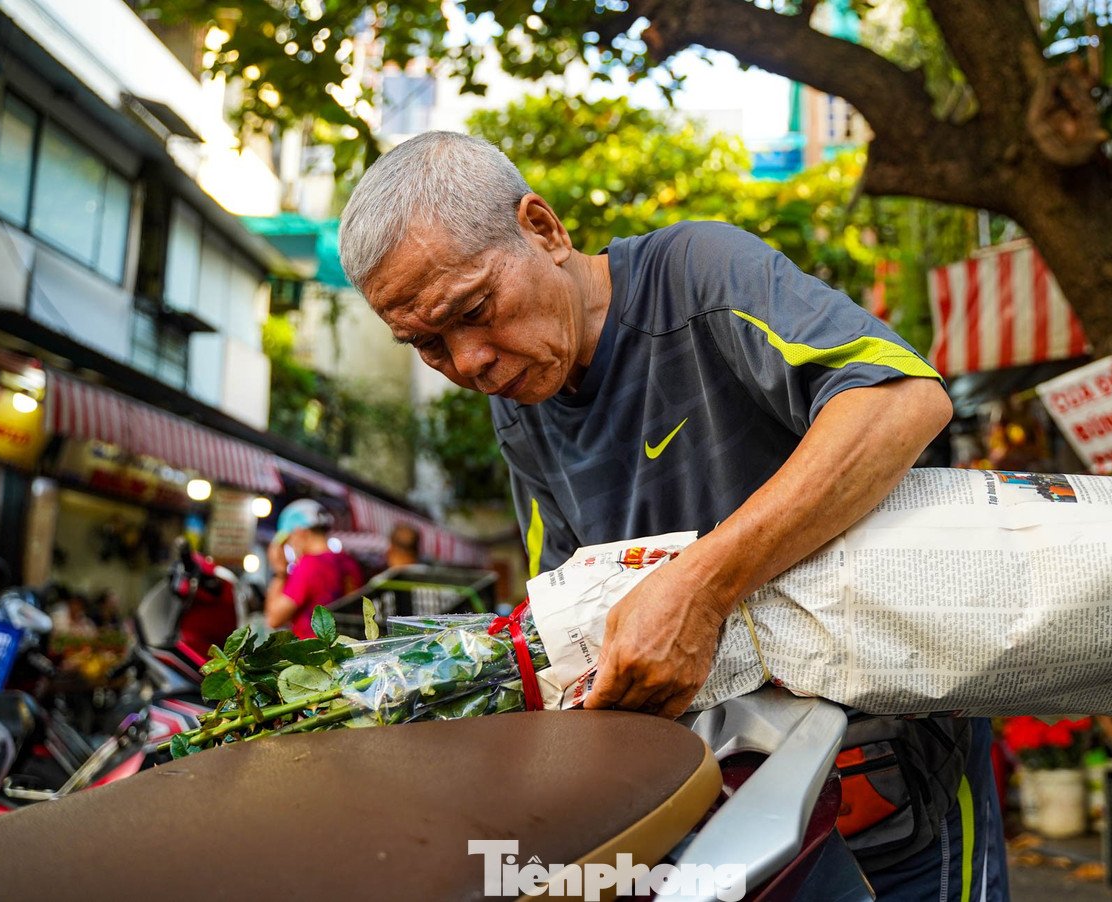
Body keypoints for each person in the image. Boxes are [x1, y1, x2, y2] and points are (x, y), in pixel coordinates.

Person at [339, 131, 1005, 900]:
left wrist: (702, 586)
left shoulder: (698, 274)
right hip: (725, 802)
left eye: (476, 309)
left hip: (889, 761)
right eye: (426, 344)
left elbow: (899, 401)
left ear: (543, 229)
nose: (469, 363)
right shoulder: (519, 404)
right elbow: (563, 609)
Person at [265, 499, 362, 639]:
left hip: (314, 653)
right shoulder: (349, 562)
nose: (290, 546)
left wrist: (279, 571)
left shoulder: (308, 566)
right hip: (344, 646)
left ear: (299, 532)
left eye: (288, 539)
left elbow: (274, 619)